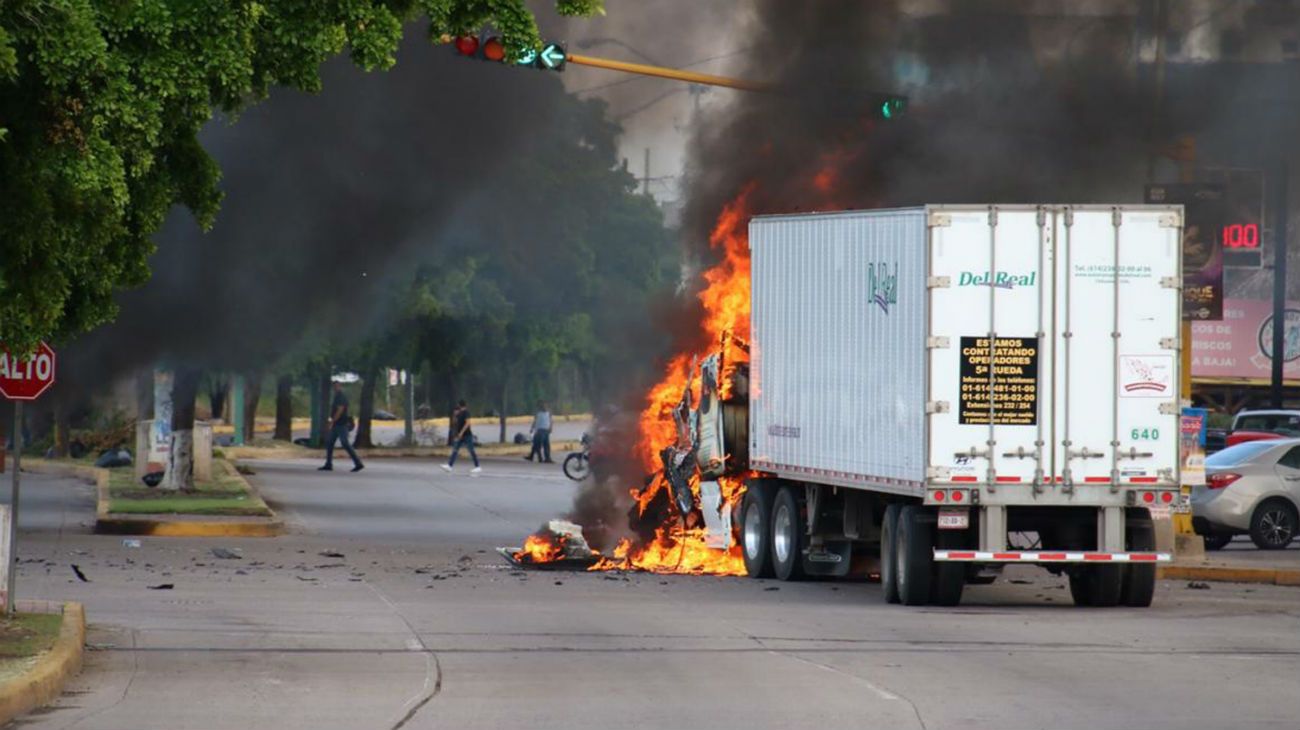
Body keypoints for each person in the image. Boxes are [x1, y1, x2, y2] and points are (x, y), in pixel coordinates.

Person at [320, 381, 364, 472]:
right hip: (337, 425)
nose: (335, 388)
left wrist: (332, 421)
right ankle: (328, 464)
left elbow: (340, 410)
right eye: (334, 386)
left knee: (345, 443)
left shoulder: (341, 397)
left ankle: (358, 463)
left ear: (340, 387)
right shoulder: (337, 397)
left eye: (337, 386)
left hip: (341, 424)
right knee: (330, 443)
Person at [440, 400, 481, 474]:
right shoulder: (459, 414)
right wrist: (455, 416)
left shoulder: (466, 413)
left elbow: (467, 423)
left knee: (471, 450)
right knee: (455, 450)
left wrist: (461, 432)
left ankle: (477, 466)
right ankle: (449, 466)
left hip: (467, 435)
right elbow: (456, 424)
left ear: (460, 405)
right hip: (461, 436)